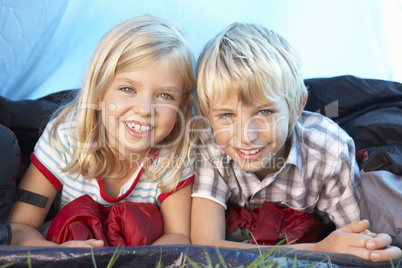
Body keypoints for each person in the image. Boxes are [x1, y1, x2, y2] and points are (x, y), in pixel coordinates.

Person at [190, 22, 402, 262]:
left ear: (296, 107)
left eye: (265, 112)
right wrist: (321, 250)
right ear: (207, 115)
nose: (246, 137)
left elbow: (356, 240)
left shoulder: (329, 151)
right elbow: (206, 247)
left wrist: (370, 247)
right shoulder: (209, 145)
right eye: (226, 115)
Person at [7, 15, 196, 247]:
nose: (145, 110)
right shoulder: (66, 137)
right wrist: (59, 254)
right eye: (128, 89)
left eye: (165, 96)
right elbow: (19, 227)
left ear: (182, 106)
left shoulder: (174, 154)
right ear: (98, 94)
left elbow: (178, 237)